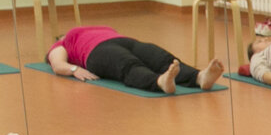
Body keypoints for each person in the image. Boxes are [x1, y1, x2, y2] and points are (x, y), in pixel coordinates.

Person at [45, 25, 224, 95]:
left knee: (162, 58)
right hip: (96, 52)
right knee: (127, 65)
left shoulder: (94, 28)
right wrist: (75, 70)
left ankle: (199, 77)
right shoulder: (64, 42)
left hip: (127, 41)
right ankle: (159, 82)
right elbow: (57, 64)